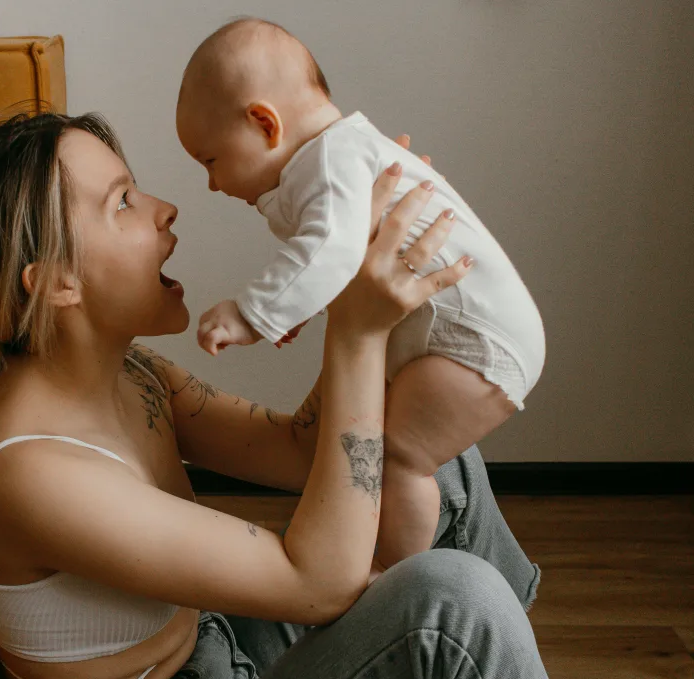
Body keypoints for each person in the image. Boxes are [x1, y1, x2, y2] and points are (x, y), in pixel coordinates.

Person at [0, 110, 547, 679]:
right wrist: (359, 334)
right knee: (458, 602)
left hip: (218, 643)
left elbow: (297, 448)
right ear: (56, 281)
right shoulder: (31, 473)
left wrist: (349, 275)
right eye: (124, 203)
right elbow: (320, 583)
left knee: (428, 451)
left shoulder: (137, 376)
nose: (165, 209)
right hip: (204, 669)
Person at [175, 18, 547, 569]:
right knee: (376, 442)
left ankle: (396, 578)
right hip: (459, 330)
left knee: (398, 458)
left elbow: (331, 248)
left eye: (210, 160)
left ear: (264, 122)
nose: (211, 183)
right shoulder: (337, 155)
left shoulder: (330, 159)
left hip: (478, 338)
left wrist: (252, 313)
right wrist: (302, 301)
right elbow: (335, 259)